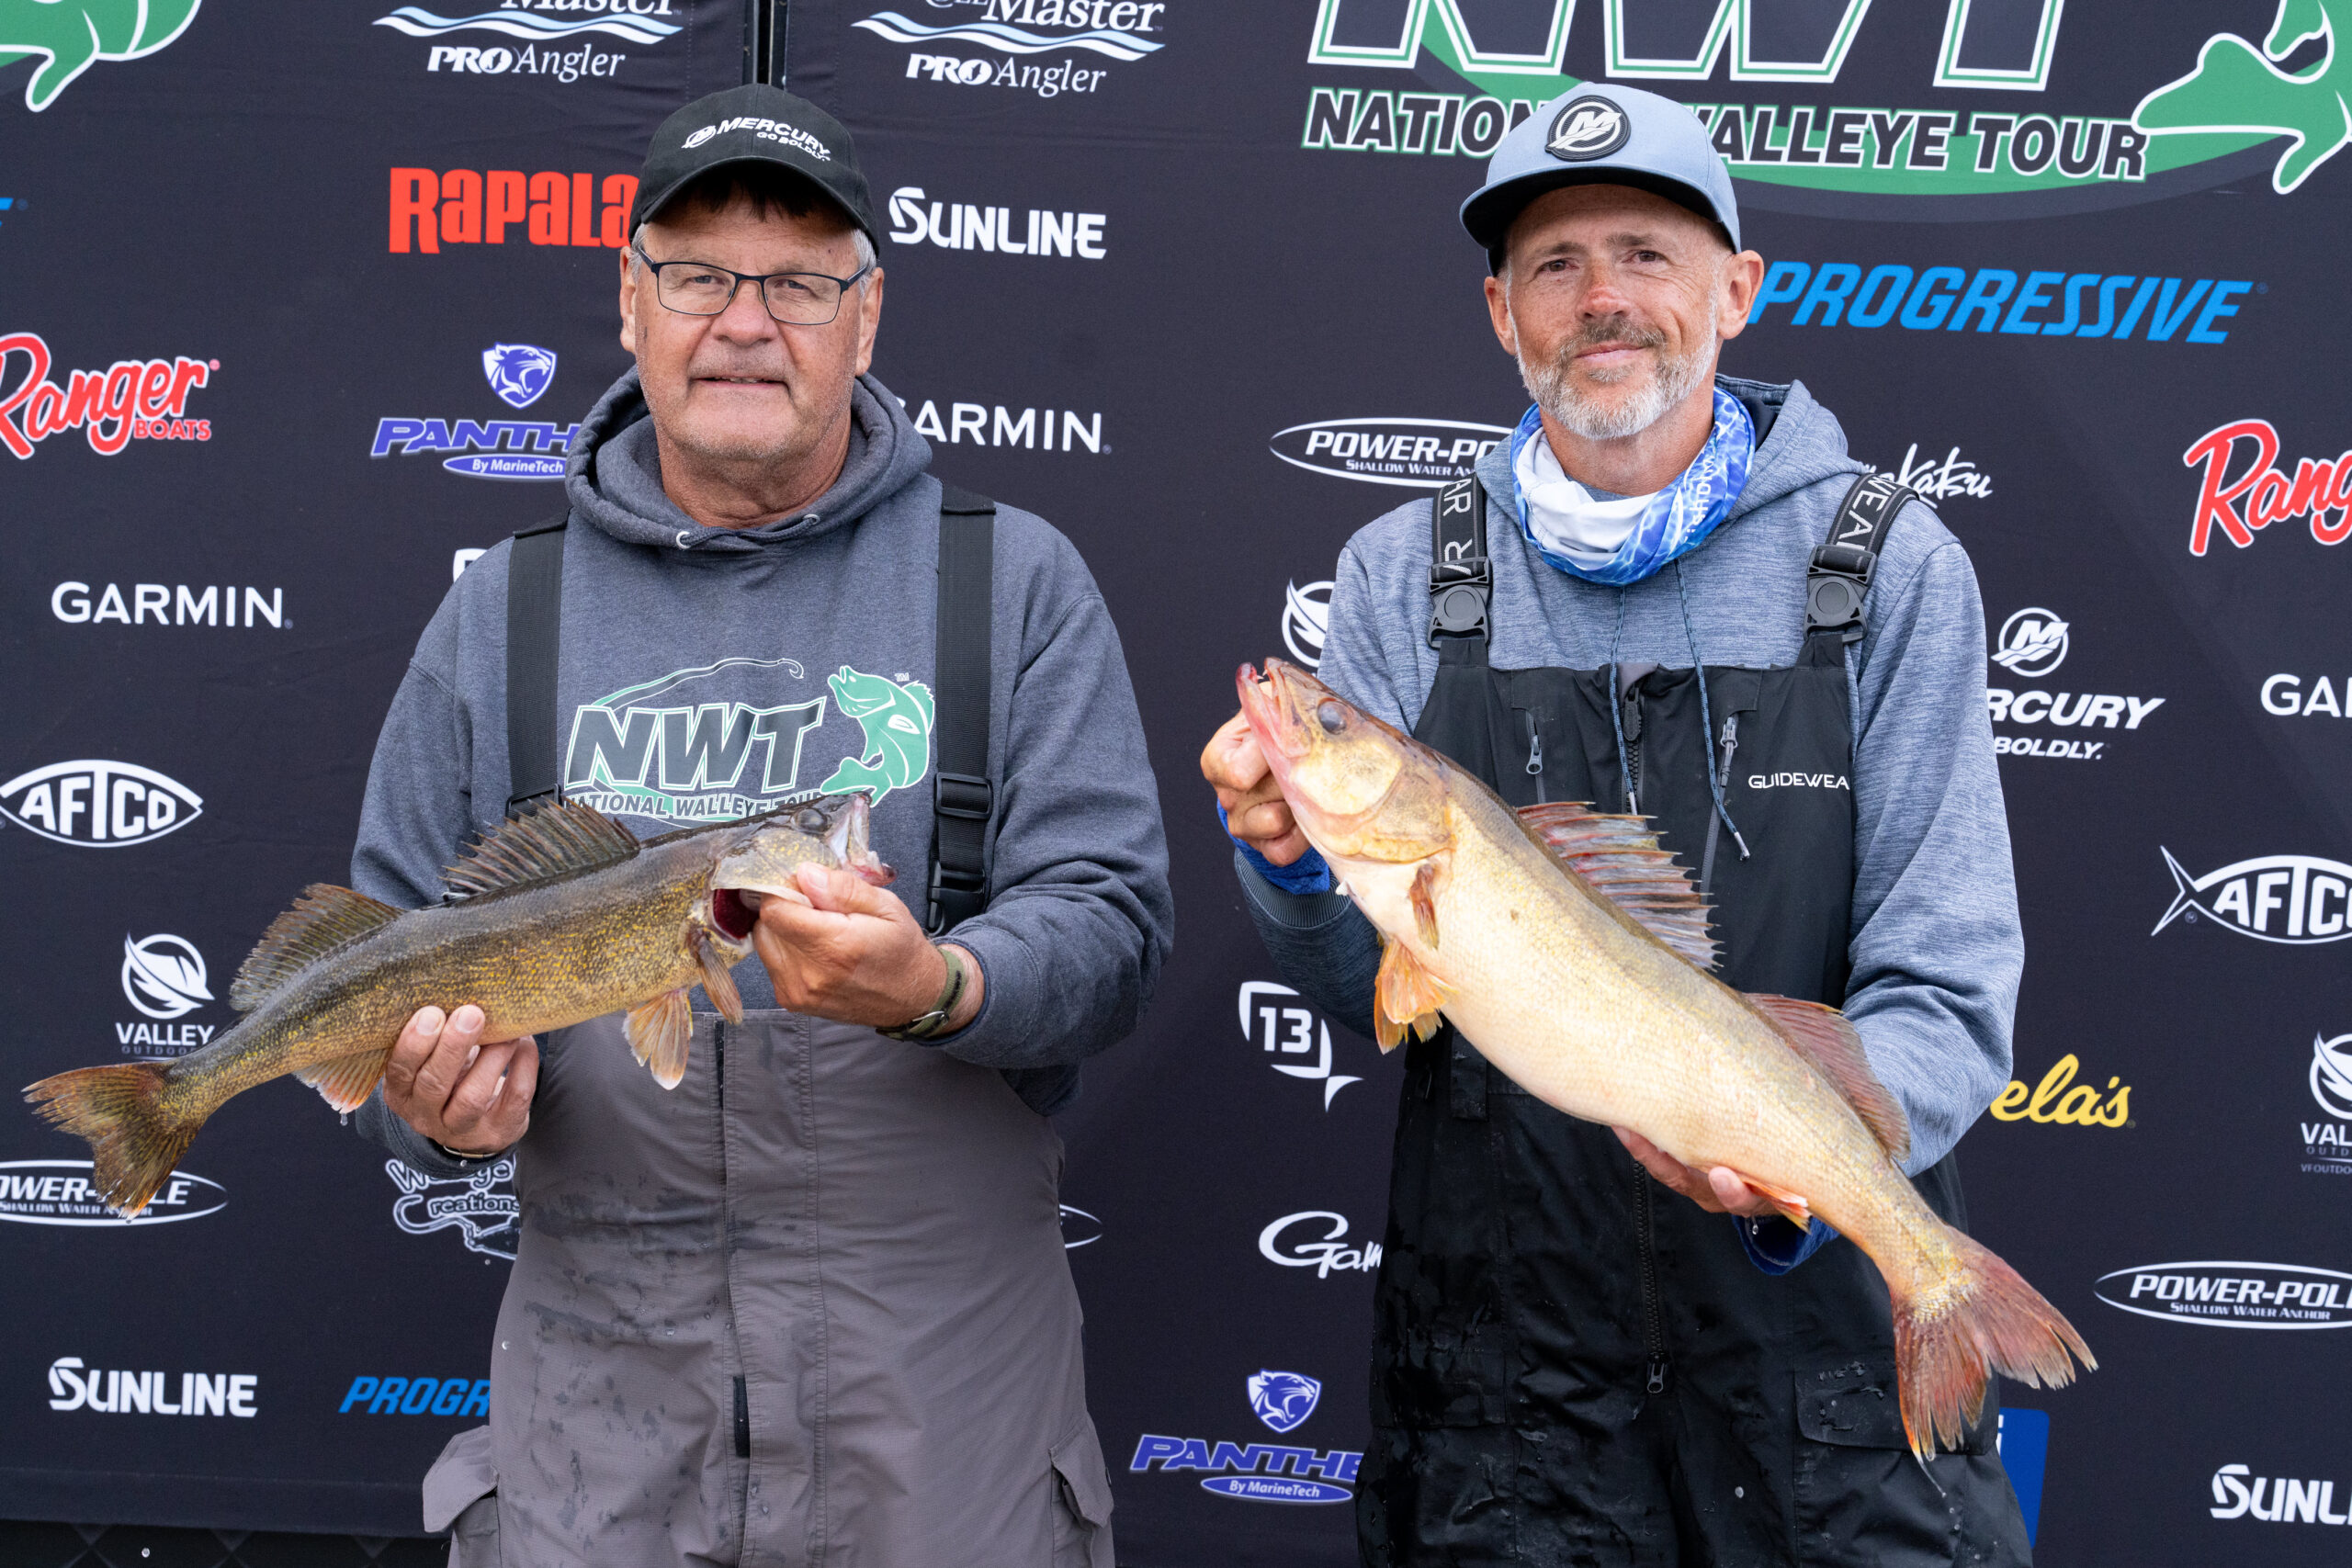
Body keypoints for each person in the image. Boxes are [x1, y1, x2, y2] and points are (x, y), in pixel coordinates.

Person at [1204, 85, 2032, 1565]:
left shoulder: (1893, 566)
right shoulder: (1401, 572)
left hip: (1818, 1380)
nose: (1604, 299)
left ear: (1737, 290)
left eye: (1647, 253)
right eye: (1556, 263)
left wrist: (1799, 1159)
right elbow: (1362, 997)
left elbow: (1948, 980)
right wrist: (1290, 866)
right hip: (1506, 1399)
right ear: (1500, 313)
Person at [349, 84, 1169, 1567]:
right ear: (629, 303)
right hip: (599, 1453)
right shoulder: (499, 614)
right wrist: (438, 1115)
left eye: (797, 282)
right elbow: (389, 972)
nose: (744, 322)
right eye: (698, 276)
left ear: (868, 316)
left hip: (942, 1444)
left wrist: (941, 987)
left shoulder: (1013, 584)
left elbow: (1111, 931)